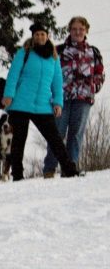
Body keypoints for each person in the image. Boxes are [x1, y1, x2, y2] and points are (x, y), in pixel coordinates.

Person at [2, 23, 81, 181]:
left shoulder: (53, 57)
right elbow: (13, 74)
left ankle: (69, 169)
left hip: (43, 105)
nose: (40, 37)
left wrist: (58, 102)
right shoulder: (24, 53)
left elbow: (58, 82)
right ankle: (17, 174)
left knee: (55, 138)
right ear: (33, 36)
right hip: (20, 104)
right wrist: (9, 95)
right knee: (19, 140)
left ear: (47, 36)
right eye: (37, 34)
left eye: (43, 34)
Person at [43, 16, 104, 177]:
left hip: (83, 99)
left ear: (86, 31)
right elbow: (49, 72)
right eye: (74, 29)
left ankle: (70, 169)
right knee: (58, 133)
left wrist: (93, 86)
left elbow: (99, 73)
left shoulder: (93, 52)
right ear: (69, 30)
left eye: (81, 29)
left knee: (76, 134)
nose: (78, 32)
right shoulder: (59, 50)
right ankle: (49, 169)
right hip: (61, 99)